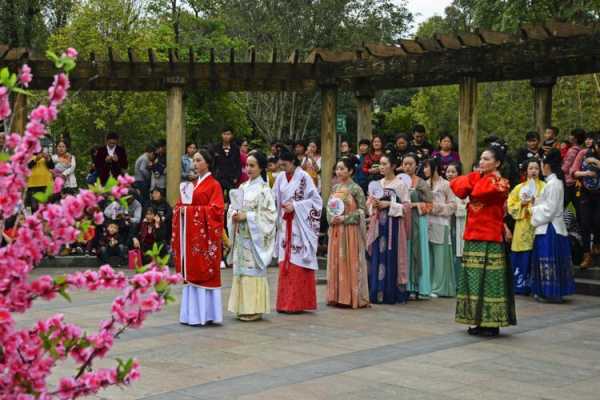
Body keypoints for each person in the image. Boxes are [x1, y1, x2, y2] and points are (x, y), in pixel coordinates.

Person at [450, 145, 516, 337]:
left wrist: (473, 180)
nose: (481, 162)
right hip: (473, 235)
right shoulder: (479, 178)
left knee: (490, 281)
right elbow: (457, 186)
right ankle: (477, 320)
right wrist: (473, 179)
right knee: (473, 280)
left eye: (486, 159)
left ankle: (491, 323)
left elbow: (479, 192)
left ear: (497, 163)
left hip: (490, 237)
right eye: (481, 158)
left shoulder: (501, 182)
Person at [172, 149, 225, 326]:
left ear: (207, 163)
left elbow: (217, 211)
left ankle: (206, 315)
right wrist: (180, 209)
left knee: (204, 272)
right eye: (194, 160)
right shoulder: (191, 185)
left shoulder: (214, 185)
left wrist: (190, 211)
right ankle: (192, 315)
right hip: (192, 237)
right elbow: (181, 205)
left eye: (198, 160)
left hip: (203, 237)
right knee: (191, 272)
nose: (194, 163)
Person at [226, 151, 277, 321]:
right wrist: (233, 214)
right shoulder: (241, 187)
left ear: (261, 167)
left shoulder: (264, 190)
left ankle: (254, 308)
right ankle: (242, 307)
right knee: (241, 272)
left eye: (252, 165)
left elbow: (270, 216)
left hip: (255, 239)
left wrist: (247, 216)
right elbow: (234, 207)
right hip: (242, 237)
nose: (248, 168)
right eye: (246, 165)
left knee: (252, 273)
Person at [272, 149, 322, 313]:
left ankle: (298, 303)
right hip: (284, 223)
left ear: (293, 161)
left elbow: (316, 202)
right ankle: (284, 303)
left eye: (285, 164)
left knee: (298, 262)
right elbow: (274, 198)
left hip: (300, 225)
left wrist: (296, 206)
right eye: (281, 164)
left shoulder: (304, 177)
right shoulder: (279, 178)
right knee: (285, 262)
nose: (282, 166)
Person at [530, 149, 576, 302]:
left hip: (550, 228)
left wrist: (533, 208)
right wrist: (536, 202)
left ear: (547, 165)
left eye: (542, 164)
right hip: (551, 226)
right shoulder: (553, 183)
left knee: (548, 260)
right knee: (551, 261)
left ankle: (550, 293)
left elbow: (550, 209)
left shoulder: (553, 184)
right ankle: (549, 291)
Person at [366, 155, 411, 304]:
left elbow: (406, 207)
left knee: (392, 257)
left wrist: (389, 205)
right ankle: (376, 291)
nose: (381, 167)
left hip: (394, 227)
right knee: (377, 257)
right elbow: (368, 204)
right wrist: (373, 205)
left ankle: (391, 293)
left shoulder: (400, 185)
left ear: (393, 166)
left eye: (385, 164)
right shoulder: (377, 183)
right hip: (378, 225)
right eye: (380, 164)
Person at [326, 158, 370, 308]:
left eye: (342, 169)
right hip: (336, 229)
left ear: (350, 170)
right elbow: (329, 207)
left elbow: (363, 211)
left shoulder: (356, 189)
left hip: (350, 231)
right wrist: (331, 218)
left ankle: (350, 297)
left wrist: (345, 218)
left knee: (349, 260)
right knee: (336, 261)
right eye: (337, 169)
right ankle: (336, 296)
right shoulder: (334, 187)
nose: (339, 172)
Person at [507, 159, 545, 295]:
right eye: (531, 168)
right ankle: (520, 286)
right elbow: (510, 206)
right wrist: (521, 204)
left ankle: (536, 287)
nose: (533, 171)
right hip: (522, 226)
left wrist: (536, 205)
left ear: (540, 170)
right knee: (521, 255)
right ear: (526, 171)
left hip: (539, 226)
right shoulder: (518, 188)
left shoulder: (545, 187)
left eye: (536, 168)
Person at [423, 157, 457, 298]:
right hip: (426, 223)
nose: (424, 170)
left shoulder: (446, 185)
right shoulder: (424, 184)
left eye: (426, 167)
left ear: (434, 168)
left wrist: (436, 207)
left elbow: (453, 206)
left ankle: (440, 288)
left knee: (440, 256)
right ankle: (429, 285)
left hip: (441, 224)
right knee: (428, 256)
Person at [403, 153, 433, 298]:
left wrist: (414, 205)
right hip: (402, 221)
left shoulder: (421, 183)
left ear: (416, 166)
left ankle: (417, 286)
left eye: (410, 164)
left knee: (417, 251)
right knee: (404, 252)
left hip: (417, 221)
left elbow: (430, 205)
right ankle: (404, 285)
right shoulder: (398, 182)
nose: (407, 167)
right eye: (405, 164)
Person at [573, 136, 600, 268]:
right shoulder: (585, 154)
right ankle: (586, 255)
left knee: (597, 221)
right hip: (585, 192)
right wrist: (586, 173)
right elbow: (573, 172)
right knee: (584, 223)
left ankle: (596, 245)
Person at [446, 162, 467, 282]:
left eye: (453, 172)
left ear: (458, 173)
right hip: (447, 221)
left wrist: (455, 207)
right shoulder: (444, 186)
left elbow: (466, 207)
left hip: (459, 223)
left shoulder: (463, 188)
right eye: (448, 171)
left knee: (458, 252)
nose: (450, 174)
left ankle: (458, 282)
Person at [211, 127, 242, 202]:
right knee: (218, 199)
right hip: (219, 178)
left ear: (231, 135)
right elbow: (212, 164)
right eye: (224, 134)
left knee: (231, 200)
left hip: (231, 178)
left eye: (228, 134)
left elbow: (238, 164)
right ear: (221, 135)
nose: (226, 136)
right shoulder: (216, 148)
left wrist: (236, 177)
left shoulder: (235, 148)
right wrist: (214, 176)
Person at [562, 128, 586, 213]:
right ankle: (582, 224)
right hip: (578, 182)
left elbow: (565, 167)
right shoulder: (582, 150)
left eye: (571, 135)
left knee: (561, 205)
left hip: (569, 182)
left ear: (575, 138)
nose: (569, 137)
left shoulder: (572, 151)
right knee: (579, 207)